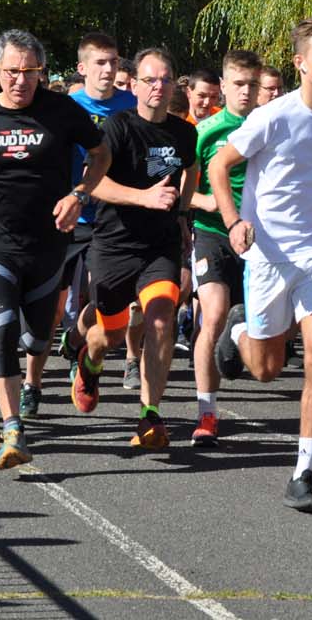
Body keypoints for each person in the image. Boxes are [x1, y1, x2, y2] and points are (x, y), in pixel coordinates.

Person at [210, 16, 312, 512]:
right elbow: (220, 166)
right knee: (266, 368)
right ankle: (239, 334)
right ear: (300, 63)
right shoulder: (273, 116)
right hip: (267, 252)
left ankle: (303, 473)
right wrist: (234, 220)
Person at [0, 29, 110, 469]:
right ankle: (12, 427)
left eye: (30, 71)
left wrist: (79, 194)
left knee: (37, 337)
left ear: (42, 72)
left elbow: (101, 152)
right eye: (12, 72)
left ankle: (60, 352)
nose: (21, 80)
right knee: (0, 324)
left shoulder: (61, 111)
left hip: (48, 241)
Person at [69, 49, 198, 449]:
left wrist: (181, 211)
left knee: (160, 320)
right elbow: (95, 183)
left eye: (165, 80)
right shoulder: (117, 126)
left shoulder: (184, 132)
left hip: (159, 245)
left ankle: (150, 415)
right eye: (150, 80)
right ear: (136, 85)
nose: (158, 87)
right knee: (108, 335)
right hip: (114, 244)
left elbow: (191, 169)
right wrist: (144, 198)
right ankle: (88, 365)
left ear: (174, 85)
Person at [29, 32, 135, 416]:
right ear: (82, 68)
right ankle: (32, 384)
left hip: (110, 220)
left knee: (102, 304)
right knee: (50, 308)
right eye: (101, 63)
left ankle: (76, 342)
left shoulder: (131, 106)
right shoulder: (65, 106)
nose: (109, 70)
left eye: (114, 62)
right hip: (63, 215)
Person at [188, 50, 264, 444]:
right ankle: (206, 412)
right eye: (238, 84)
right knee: (213, 313)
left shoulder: (270, 126)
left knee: (271, 337)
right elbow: (185, 191)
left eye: (253, 85)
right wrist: (210, 203)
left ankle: (237, 336)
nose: (246, 92)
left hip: (258, 236)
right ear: (223, 87)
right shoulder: (207, 131)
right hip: (213, 231)